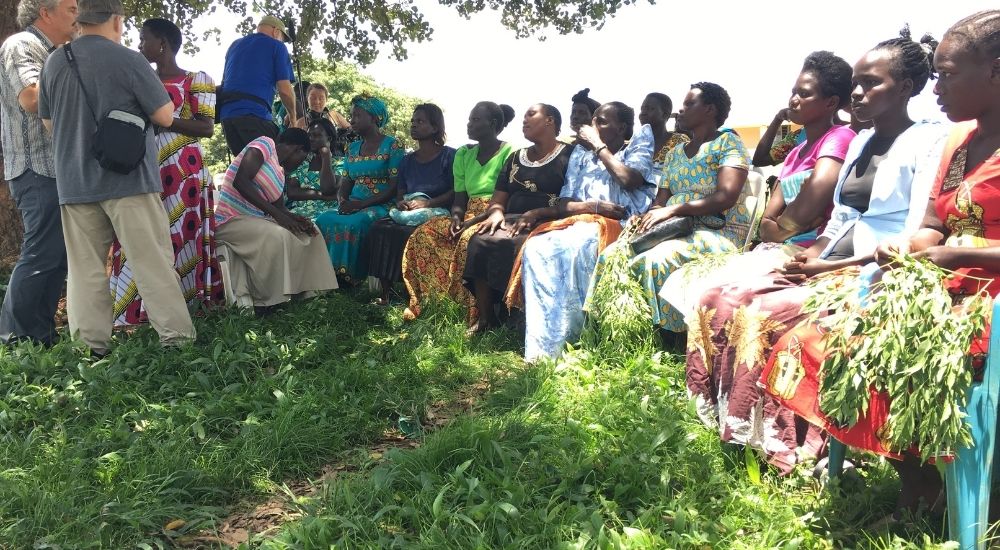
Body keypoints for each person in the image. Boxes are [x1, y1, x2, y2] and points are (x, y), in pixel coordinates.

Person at [763, 10, 1000, 517]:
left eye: (950, 74)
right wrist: (915, 247)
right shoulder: (959, 142)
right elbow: (936, 218)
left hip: (990, 298)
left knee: (903, 349)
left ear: (996, 71)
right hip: (944, 280)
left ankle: (955, 485)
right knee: (820, 343)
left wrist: (946, 253)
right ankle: (917, 478)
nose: (937, 88)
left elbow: (949, 242)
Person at [684, 30, 945, 474]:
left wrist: (827, 265)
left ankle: (791, 444)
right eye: (856, 83)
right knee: (720, 296)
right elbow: (842, 217)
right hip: (831, 258)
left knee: (763, 311)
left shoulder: (929, 140)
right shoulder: (862, 141)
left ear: (905, 88)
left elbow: (915, 231)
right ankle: (726, 417)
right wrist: (808, 258)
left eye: (872, 83)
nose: (858, 93)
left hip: (878, 270)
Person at [38, 0, 195, 355]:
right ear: (117, 21)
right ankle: (176, 341)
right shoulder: (130, 60)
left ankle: (90, 348)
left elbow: (49, 123)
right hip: (130, 182)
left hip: (75, 182)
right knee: (151, 261)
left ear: (81, 19)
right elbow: (166, 116)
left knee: (84, 270)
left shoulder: (54, 62)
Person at [660, 52, 856, 318]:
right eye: (793, 92)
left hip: (811, 248)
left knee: (722, 293)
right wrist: (785, 225)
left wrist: (783, 223)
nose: (794, 100)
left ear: (831, 102)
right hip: (778, 246)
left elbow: (811, 204)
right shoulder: (795, 153)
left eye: (805, 94)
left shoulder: (839, 137)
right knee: (687, 283)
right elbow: (767, 225)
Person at [588, 83, 751, 333]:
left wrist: (673, 211)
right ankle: (610, 329)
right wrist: (646, 217)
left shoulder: (728, 143)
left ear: (709, 109)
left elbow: (726, 197)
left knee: (657, 259)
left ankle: (665, 336)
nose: (680, 111)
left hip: (715, 230)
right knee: (612, 253)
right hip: (673, 227)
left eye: (688, 105)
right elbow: (661, 199)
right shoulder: (675, 152)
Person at [508, 101, 655, 361]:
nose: (593, 126)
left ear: (622, 128)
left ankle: (577, 335)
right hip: (583, 219)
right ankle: (543, 343)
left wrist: (598, 146)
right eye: (593, 120)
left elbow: (628, 179)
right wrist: (593, 205)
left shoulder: (636, 146)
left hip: (622, 223)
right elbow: (565, 203)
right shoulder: (580, 154)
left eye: (602, 122)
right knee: (537, 247)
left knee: (575, 247)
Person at [108, 17, 224, 326]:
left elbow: (206, 127)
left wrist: (165, 119)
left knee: (180, 233)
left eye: (144, 38)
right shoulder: (139, 78)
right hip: (143, 166)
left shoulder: (195, 78)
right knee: (142, 234)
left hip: (183, 171)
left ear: (163, 43)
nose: (139, 44)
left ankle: (183, 307)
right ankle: (136, 312)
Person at [0, 0, 77, 346]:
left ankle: (41, 336)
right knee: (41, 252)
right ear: (45, 13)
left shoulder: (58, 51)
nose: (78, 15)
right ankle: (15, 338)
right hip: (36, 168)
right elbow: (31, 98)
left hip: (56, 168)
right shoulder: (22, 45)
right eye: (72, 8)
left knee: (56, 255)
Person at [464, 104, 573, 332]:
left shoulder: (569, 155)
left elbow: (571, 199)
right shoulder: (515, 158)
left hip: (549, 220)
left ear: (550, 121)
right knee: (480, 239)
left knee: (519, 244)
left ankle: (518, 315)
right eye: (523, 116)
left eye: (531, 115)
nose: (524, 120)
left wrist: (537, 214)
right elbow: (498, 198)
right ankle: (487, 318)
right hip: (512, 218)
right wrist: (495, 213)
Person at [400, 101, 514, 321]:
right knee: (425, 233)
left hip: (496, 214)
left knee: (467, 241)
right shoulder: (464, 154)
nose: (469, 124)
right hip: (468, 214)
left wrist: (470, 224)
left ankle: (475, 312)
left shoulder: (509, 152)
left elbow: (505, 196)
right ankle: (434, 300)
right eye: (469, 119)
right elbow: (460, 197)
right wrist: (455, 218)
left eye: (475, 119)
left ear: (492, 124)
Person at [214, 129, 338, 310]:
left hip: (257, 221)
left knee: (310, 233)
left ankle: (311, 292)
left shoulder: (280, 174)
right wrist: (280, 217)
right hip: (231, 219)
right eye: (302, 158)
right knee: (277, 235)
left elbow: (280, 208)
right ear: (297, 149)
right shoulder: (265, 144)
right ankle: (269, 302)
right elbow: (241, 181)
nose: (300, 164)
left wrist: (297, 219)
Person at [365, 104, 456, 305]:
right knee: (380, 228)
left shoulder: (449, 156)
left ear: (435, 127)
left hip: (437, 211)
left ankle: (416, 292)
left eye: (420, 121)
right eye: (412, 121)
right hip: (410, 210)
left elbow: (455, 191)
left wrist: (428, 203)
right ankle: (386, 295)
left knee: (407, 233)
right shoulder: (407, 160)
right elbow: (400, 193)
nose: (413, 125)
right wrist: (402, 204)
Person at [314, 95, 404, 283]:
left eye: (357, 115)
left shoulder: (393, 145)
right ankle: (324, 275)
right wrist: (342, 201)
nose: (352, 120)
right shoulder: (352, 148)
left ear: (374, 118)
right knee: (323, 218)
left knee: (357, 222)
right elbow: (346, 183)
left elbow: (395, 186)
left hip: (382, 204)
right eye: (351, 115)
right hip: (354, 204)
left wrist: (361, 204)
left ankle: (351, 277)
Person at [218, 14, 297, 155]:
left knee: (245, 170)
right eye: (282, 39)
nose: (282, 42)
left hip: (228, 118)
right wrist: (293, 117)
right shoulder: (277, 46)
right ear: (276, 31)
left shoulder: (234, 45)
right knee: (282, 158)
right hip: (255, 115)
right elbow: (285, 90)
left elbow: (225, 81)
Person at [285, 117, 341, 219]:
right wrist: (323, 196)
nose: (310, 139)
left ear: (329, 139)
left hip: (327, 215)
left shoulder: (340, 163)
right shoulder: (302, 162)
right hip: (298, 214)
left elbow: (328, 189)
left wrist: (326, 156)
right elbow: (292, 192)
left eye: (316, 135)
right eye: (309, 135)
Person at [638, 92, 689, 178]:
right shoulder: (637, 143)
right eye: (642, 109)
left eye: (650, 109)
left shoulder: (679, 142)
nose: (643, 113)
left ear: (665, 114)